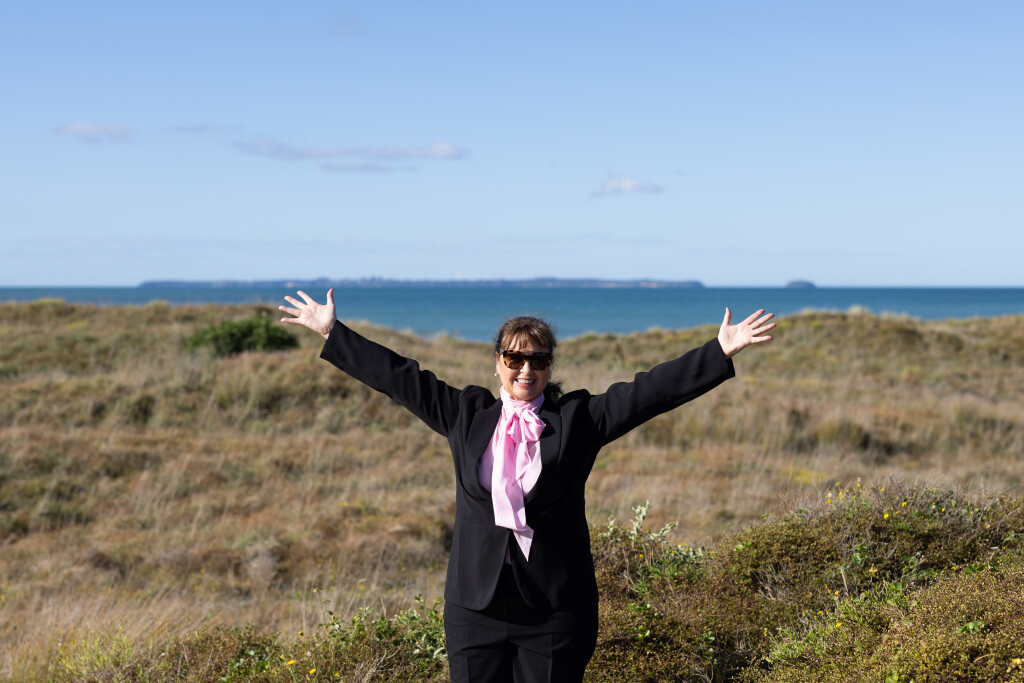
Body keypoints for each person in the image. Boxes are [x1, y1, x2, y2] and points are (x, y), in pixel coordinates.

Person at [279, 289, 775, 683]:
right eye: (515, 359)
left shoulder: (578, 420)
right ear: (497, 361)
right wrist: (333, 332)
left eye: (538, 360)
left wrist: (718, 351)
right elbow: (400, 378)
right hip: (474, 607)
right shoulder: (466, 414)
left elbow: (648, 393)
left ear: (549, 366)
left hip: (555, 611)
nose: (526, 370)